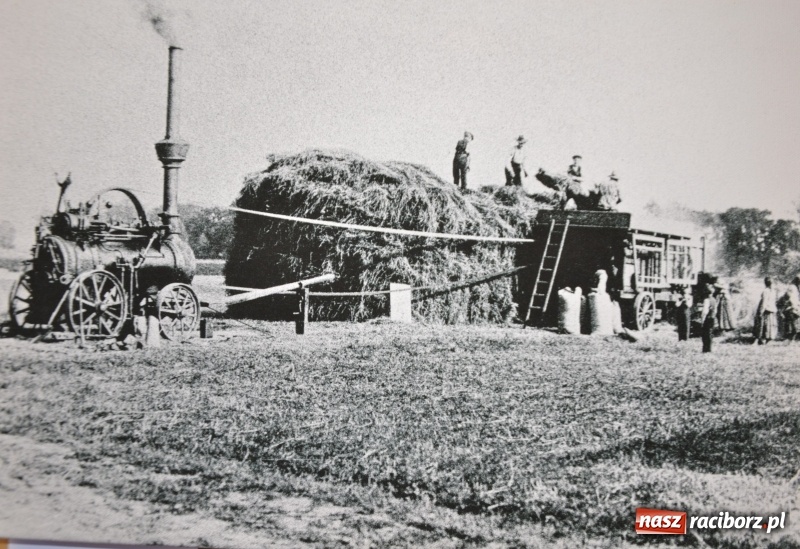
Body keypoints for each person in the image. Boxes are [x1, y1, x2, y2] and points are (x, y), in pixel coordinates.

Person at [754, 276, 778, 344]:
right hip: (772, 310)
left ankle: (759, 339)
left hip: (766, 310)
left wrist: (761, 311)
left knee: (762, 325)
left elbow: (764, 302)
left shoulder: (766, 291)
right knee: (770, 325)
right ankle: (768, 340)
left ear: (765, 283)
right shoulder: (773, 291)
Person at [700, 283, 717, 352]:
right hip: (712, 317)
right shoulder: (714, 299)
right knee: (710, 334)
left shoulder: (706, 300)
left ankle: (706, 349)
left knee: (705, 334)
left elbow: (705, 312)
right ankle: (709, 349)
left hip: (707, 318)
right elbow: (715, 310)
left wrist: (702, 320)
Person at [783, 275, 800, 341]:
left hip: (796, 306)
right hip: (792, 307)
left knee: (795, 323)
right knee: (792, 324)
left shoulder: (796, 287)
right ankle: (791, 338)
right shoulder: (792, 287)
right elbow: (789, 297)